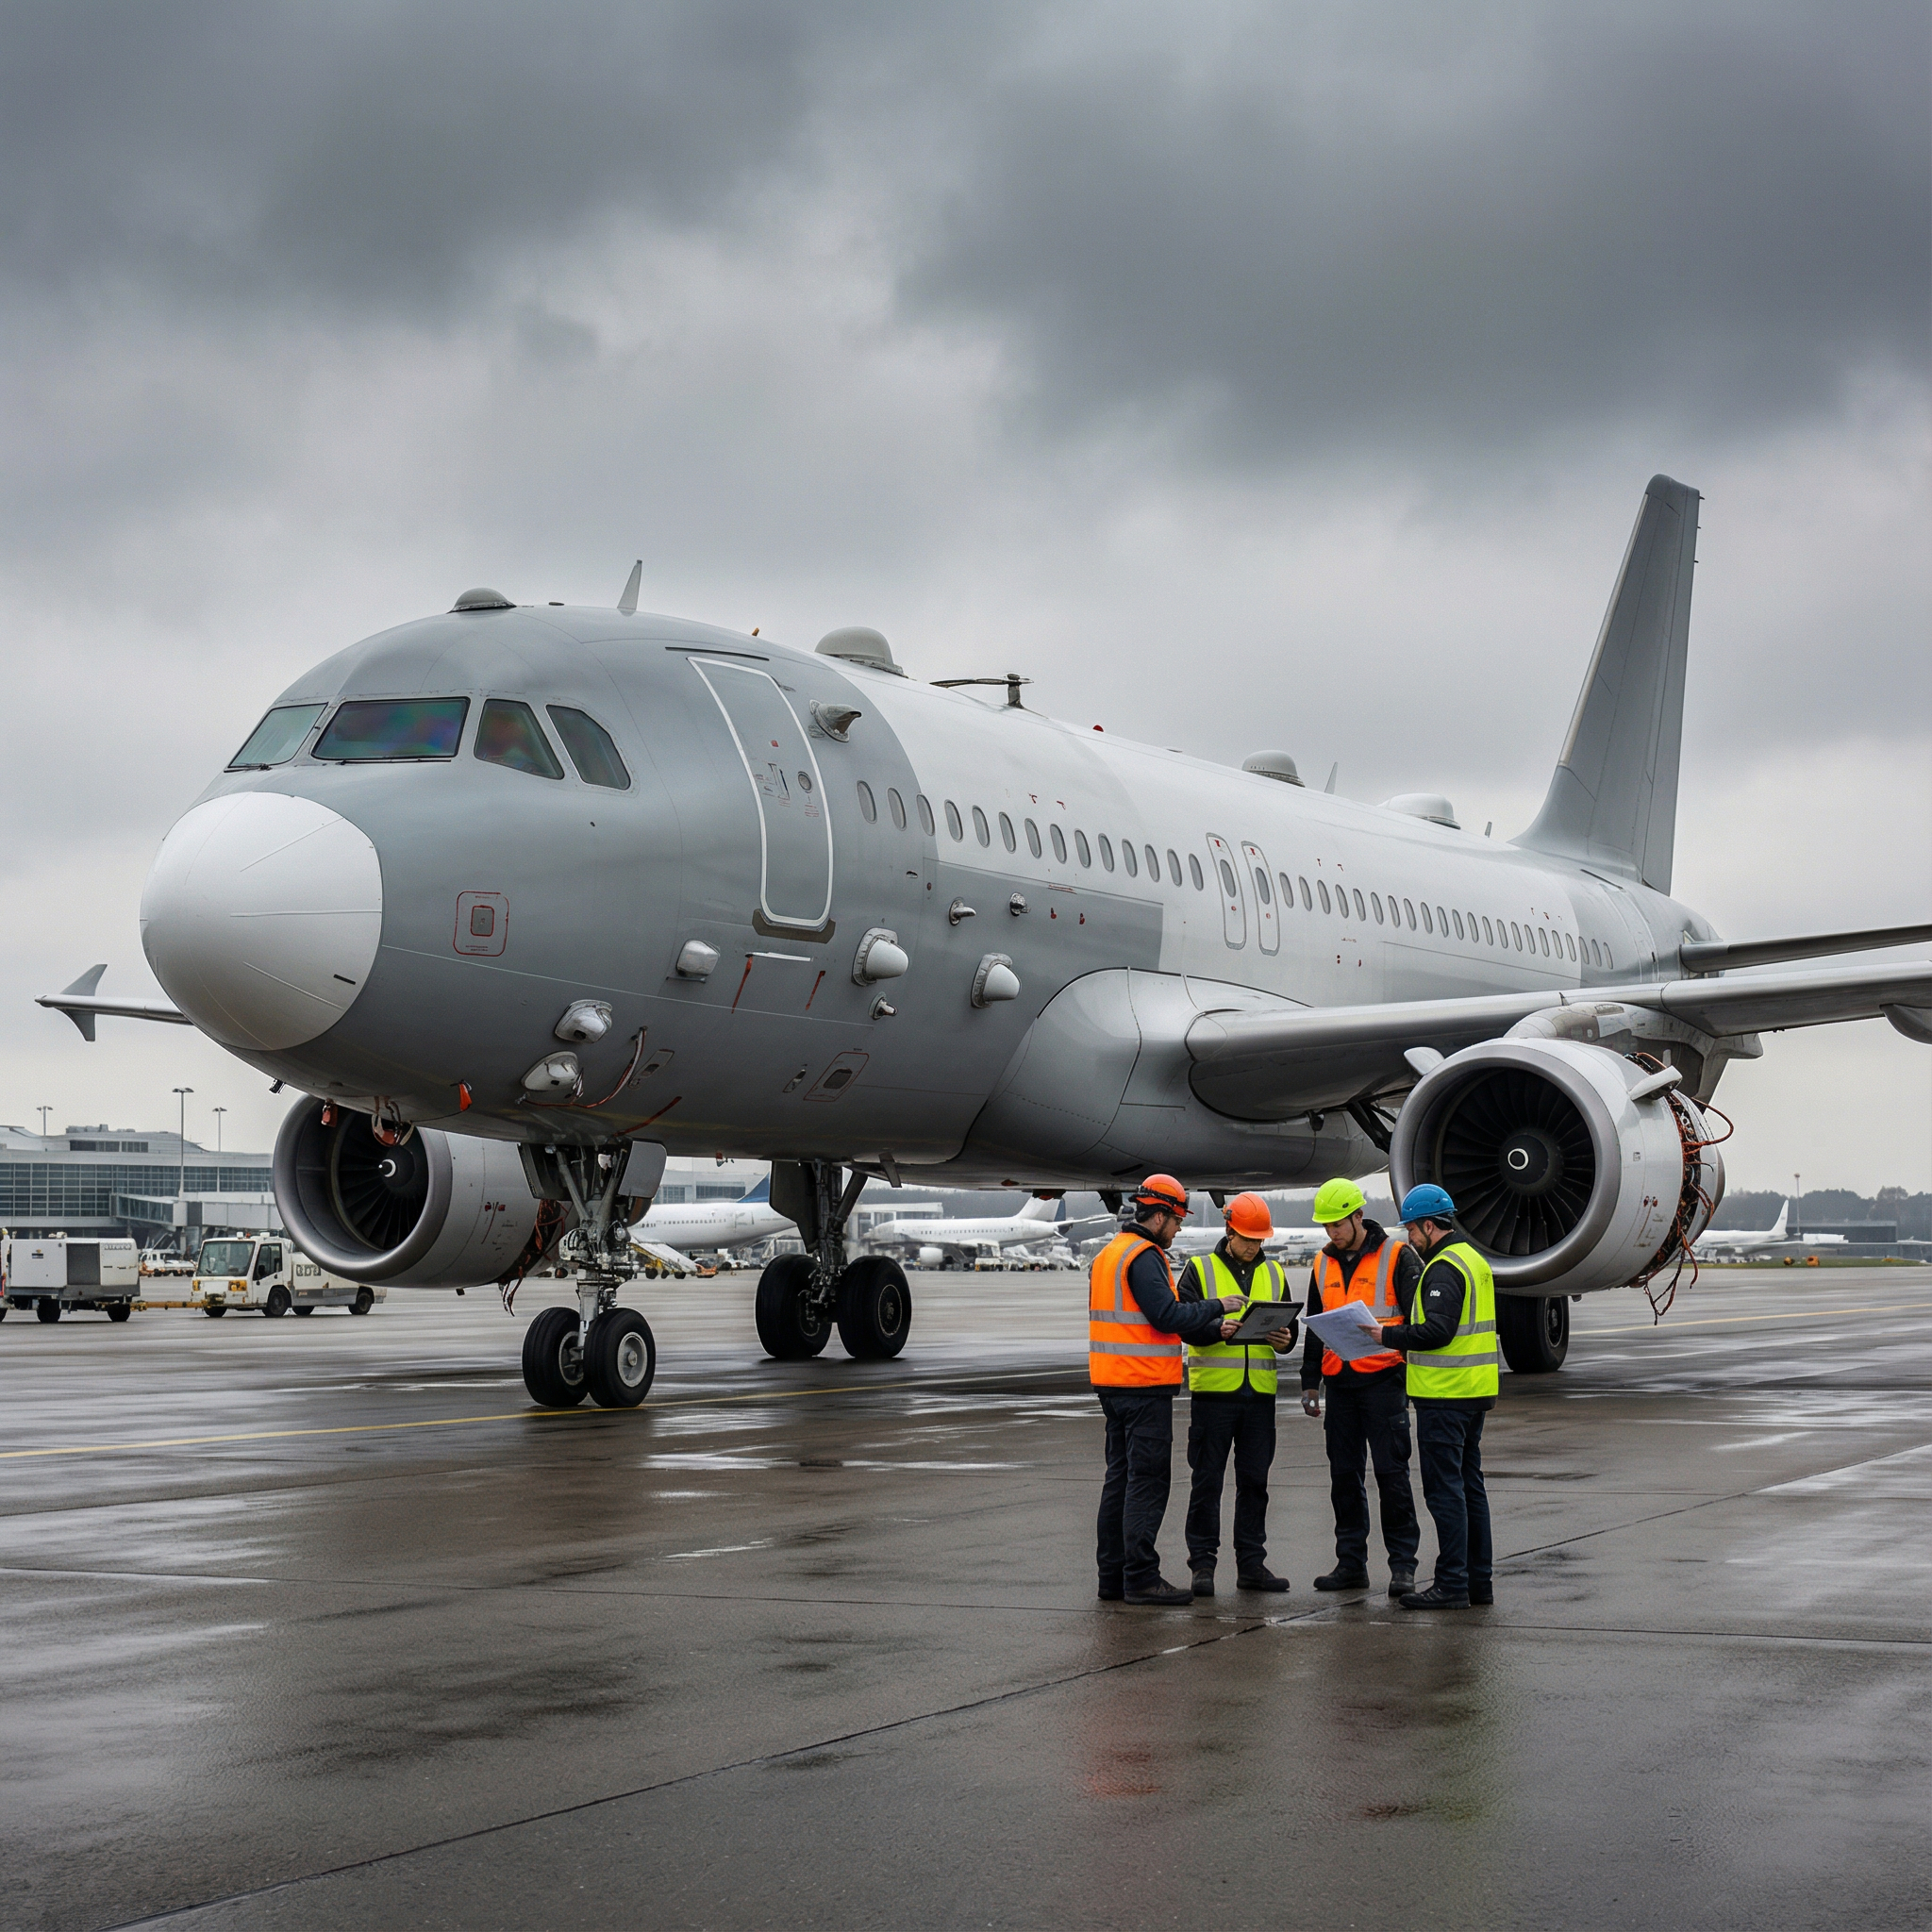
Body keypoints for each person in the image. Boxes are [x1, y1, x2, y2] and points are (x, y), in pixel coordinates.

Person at [1090, 1174, 1244, 1607]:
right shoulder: (1144, 1255)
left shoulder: (1111, 1254)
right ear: (1157, 1216)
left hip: (1114, 1382)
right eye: (1175, 1220)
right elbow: (1166, 1314)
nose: (1177, 1229)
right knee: (1148, 1481)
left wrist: (1212, 1329)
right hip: (1143, 1385)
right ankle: (1141, 1577)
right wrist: (1217, 1306)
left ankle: (1113, 1577)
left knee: (1119, 1480)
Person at [1376, 1183, 1498, 1610]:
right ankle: (1477, 1583)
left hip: (1446, 1397)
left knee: (1445, 1493)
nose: (1410, 1237)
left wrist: (1386, 1334)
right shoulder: (1474, 1260)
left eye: (1412, 1229)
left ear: (1430, 1225)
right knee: (1469, 1489)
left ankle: (1451, 1584)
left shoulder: (1444, 1266)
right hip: (1474, 1392)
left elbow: (1437, 1331)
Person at [1298, 1177, 1422, 1598]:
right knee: (1344, 1478)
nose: (1332, 1232)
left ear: (1358, 1216)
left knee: (1392, 1477)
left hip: (1384, 1382)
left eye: (1338, 1223)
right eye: (1326, 1226)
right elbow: (1316, 1326)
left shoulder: (1398, 1256)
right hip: (1340, 1386)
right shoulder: (1321, 1263)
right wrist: (1309, 1381)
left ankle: (1403, 1566)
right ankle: (1351, 1563)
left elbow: (1417, 1321)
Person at [1175, 1192, 1299, 1595]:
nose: (1254, 1246)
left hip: (1259, 1397)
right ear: (1230, 1231)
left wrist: (1284, 1339)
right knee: (1207, 1483)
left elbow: (1288, 1329)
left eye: (1260, 1240)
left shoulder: (1276, 1273)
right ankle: (1203, 1567)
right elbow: (1185, 1324)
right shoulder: (1198, 1270)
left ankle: (1252, 1565)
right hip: (1214, 1396)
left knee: (1255, 1483)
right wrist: (1216, 1329)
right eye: (1248, 1238)